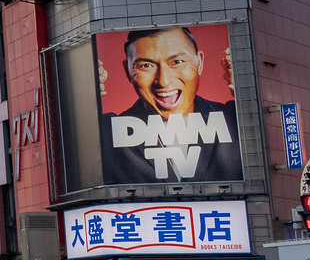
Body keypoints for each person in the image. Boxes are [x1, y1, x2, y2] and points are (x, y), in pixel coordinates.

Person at [98, 27, 244, 183]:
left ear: (199, 62)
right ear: (128, 71)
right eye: (146, 66)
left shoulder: (234, 118)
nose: (163, 81)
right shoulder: (107, 132)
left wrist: (249, 93)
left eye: (177, 62)